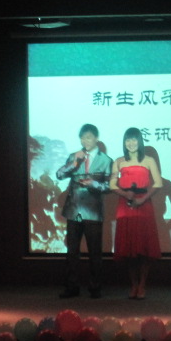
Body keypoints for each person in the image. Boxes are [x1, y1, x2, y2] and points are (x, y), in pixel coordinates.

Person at [56, 124, 112, 299]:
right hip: (74, 210)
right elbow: (59, 175)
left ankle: (95, 288)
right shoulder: (75, 156)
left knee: (94, 252)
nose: (85, 141)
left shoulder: (106, 160)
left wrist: (93, 184)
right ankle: (71, 287)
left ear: (96, 138)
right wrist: (74, 163)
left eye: (88, 137)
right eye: (82, 138)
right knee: (72, 252)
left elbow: (110, 186)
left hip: (93, 211)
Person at [110, 127, 163, 299]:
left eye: (134, 140)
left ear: (140, 141)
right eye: (128, 140)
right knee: (129, 249)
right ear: (124, 142)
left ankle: (142, 285)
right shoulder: (119, 162)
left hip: (144, 205)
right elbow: (112, 184)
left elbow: (158, 183)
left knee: (143, 249)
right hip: (125, 205)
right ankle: (133, 285)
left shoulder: (148, 161)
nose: (131, 143)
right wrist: (125, 194)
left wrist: (143, 199)